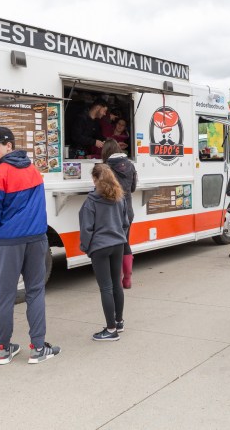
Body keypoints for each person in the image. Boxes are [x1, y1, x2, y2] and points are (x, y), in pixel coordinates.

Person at [0, 127, 60, 365]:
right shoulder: (34, 170)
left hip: (6, 243)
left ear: (9, 146)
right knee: (35, 292)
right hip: (36, 239)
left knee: (4, 296)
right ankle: (38, 347)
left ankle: (3, 349)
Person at [80, 164, 129, 341]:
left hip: (100, 247)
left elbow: (86, 228)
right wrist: (120, 237)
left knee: (106, 288)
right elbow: (125, 223)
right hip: (118, 244)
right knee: (117, 283)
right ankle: (119, 322)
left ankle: (110, 330)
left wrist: (86, 247)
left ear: (95, 179)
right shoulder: (119, 197)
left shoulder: (91, 201)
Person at [102, 140, 136, 288]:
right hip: (128, 211)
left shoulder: (105, 168)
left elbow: (102, 191)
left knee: (113, 245)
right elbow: (133, 187)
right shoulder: (130, 165)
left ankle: (116, 279)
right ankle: (127, 279)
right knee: (125, 242)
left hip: (112, 213)